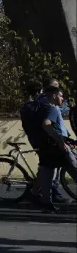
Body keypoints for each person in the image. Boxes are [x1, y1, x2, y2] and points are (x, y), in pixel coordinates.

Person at [37, 85, 77, 214]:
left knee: (47, 175)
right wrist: (60, 141)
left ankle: (45, 204)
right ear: (54, 96)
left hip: (45, 147)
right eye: (60, 95)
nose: (62, 98)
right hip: (57, 147)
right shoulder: (52, 108)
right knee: (74, 169)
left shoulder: (41, 107)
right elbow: (46, 124)